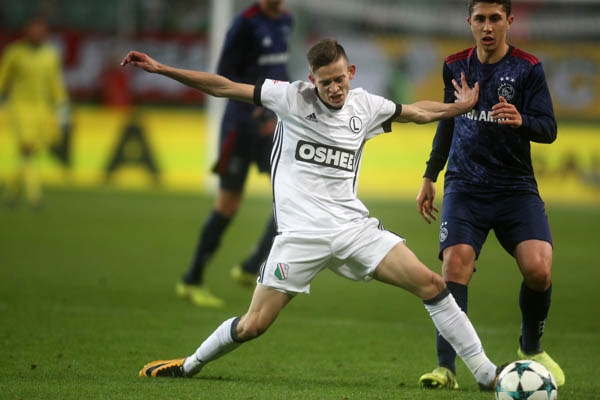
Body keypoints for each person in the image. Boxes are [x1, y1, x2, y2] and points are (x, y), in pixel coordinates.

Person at [121, 38, 503, 390]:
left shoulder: (366, 106)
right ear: (312, 81)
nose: (335, 89)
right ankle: (189, 365)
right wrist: (163, 69)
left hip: (354, 229)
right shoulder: (290, 97)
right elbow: (223, 86)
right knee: (254, 324)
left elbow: (417, 112)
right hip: (300, 236)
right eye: (325, 84)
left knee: (432, 285)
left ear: (350, 73)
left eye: (340, 80)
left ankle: (487, 374)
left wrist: (460, 107)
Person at [416, 0, 565, 390]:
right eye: (479, 19)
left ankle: (530, 347)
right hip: (465, 186)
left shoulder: (528, 67)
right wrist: (431, 175)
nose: (487, 26)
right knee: (455, 264)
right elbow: (447, 125)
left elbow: (548, 128)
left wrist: (521, 120)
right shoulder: (455, 65)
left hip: (515, 188)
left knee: (539, 269)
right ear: (469, 22)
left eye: (495, 18)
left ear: (509, 22)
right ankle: (446, 368)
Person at [175, 0, 294, 307]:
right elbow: (224, 76)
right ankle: (192, 279)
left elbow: (279, 70)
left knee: (291, 196)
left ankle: (252, 265)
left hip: (271, 126)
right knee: (228, 205)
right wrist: (256, 116)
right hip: (240, 129)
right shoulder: (245, 23)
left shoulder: (286, 21)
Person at [0, 16, 70, 209]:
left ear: (45, 33)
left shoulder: (51, 55)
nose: (36, 34)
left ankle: (11, 193)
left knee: (29, 154)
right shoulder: (15, 53)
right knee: (27, 150)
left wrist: (62, 106)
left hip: (43, 111)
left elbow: (56, 83)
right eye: (33, 30)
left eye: (40, 31)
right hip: (20, 108)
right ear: (26, 31)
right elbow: (3, 77)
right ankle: (34, 198)